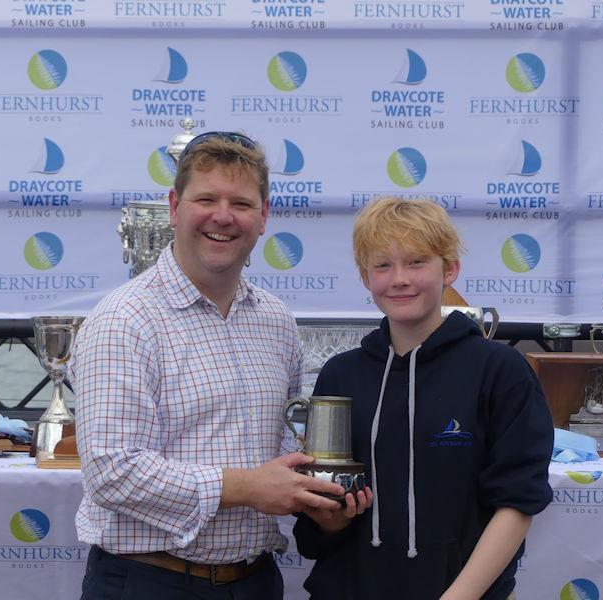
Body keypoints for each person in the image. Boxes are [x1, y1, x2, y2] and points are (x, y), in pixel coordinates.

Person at [71, 131, 345, 600]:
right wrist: (247, 488)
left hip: (255, 581)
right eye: (206, 199)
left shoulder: (275, 321)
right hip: (149, 583)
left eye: (241, 203)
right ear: (175, 207)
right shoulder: (124, 320)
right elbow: (113, 471)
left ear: (264, 217)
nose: (223, 216)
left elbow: (276, 443)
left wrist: (313, 494)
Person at [293, 197, 554, 600]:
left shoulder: (501, 371)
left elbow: (518, 502)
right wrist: (331, 518)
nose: (399, 279)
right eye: (382, 265)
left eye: (416, 262)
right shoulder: (340, 375)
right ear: (365, 277)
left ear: (449, 269)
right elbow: (318, 525)